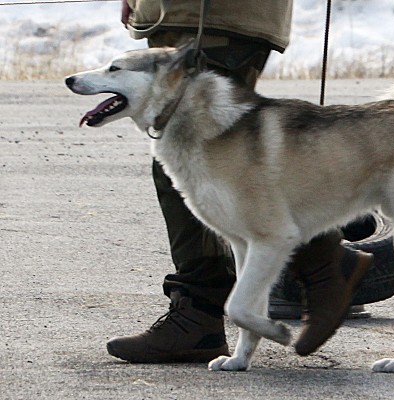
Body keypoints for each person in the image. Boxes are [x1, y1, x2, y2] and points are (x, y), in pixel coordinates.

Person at [106, 0, 374, 363]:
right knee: (211, 165)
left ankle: (201, 311)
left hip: (217, 17)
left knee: (202, 159)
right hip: (174, 16)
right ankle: (323, 263)